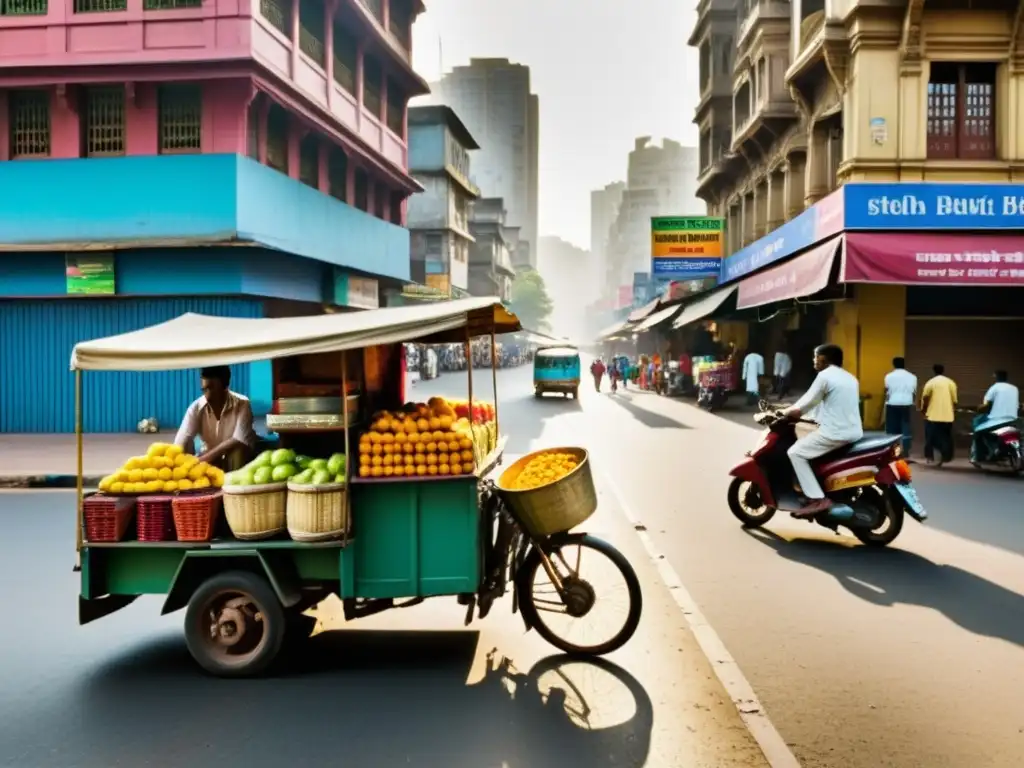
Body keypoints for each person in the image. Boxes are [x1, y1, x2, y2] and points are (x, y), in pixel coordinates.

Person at [782, 344, 863, 517]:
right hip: (853, 432)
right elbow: (826, 405)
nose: (813, 361)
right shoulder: (850, 378)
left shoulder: (825, 376)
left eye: (815, 357)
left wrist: (783, 413)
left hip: (835, 433)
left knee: (796, 452)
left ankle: (817, 498)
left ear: (823, 359)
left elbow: (804, 404)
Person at [174, 366, 258, 471]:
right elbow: (180, 441)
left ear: (225, 386)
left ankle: (232, 485)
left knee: (238, 451)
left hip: (236, 458)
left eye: (212, 388)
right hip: (210, 457)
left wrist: (202, 459)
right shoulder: (196, 408)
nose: (207, 396)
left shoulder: (242, 403)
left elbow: (238, 440)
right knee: (185, 446)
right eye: (204, 390)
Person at [974, 370, 1021, 461]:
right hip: (1013, 419)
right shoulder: (1014, 388)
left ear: (996, 377)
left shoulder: (994, 388)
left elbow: (986, 405)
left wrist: (979, 409)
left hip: (996, 420)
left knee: (978, 432)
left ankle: (981, 457)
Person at [920, 364, 957, 467]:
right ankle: (946, 457)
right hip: (948, 417)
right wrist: (952, 411)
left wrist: (923, 411)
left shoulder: (930, 382)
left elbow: (925, 398)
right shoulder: (951, 383)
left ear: (934, 371)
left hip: (932, 416)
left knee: (930, 437)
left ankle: (930, 457)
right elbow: (954, 401)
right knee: (946, 437)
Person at [884, 356, 917, 458]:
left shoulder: (889, 376)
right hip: (907, 404)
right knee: (906, 427)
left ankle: (895, 451)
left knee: (893, 429)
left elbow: (887, 391)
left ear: (894, 364)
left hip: (892, 404)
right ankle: (906, 450)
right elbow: (914, 393)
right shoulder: (912, 377)